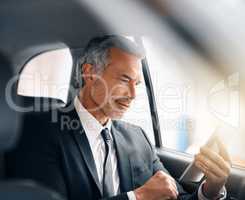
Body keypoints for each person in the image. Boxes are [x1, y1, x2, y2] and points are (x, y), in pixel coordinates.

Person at [6, 35, 231, 200]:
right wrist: (136, 197)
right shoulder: (40, 132)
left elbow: (172, 194)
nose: (133, 95)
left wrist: (209, 191)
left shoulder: (137, 137)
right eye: (124, 80)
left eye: (137, 84)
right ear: (89, 73)